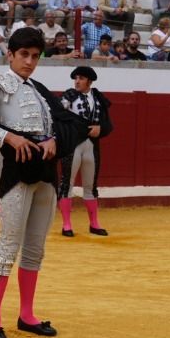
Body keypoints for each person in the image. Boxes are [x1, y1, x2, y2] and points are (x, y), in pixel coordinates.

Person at [0, 25, 87, 338]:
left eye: (35, 56)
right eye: (24, 55)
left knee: (34, 248)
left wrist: (55, 140)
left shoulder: (39, 89)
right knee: (7, 247)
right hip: (17, 173)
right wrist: (8, 137)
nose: (30, 62)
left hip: (46, 172)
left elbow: (64, 124)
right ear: (10, 55)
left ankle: (27, 315)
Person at [56, 65, 112, 238]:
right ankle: (66, 224)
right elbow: (57, 115)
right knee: (67, 184)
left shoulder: (98, 98)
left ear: (89, 81)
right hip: (72, 145)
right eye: (76, 78)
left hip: (92, 146)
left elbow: (108, 124)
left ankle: (94, 224)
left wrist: (100, 129)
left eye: (81, 78)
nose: (77, 81)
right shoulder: (69, 96)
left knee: (90, 185)